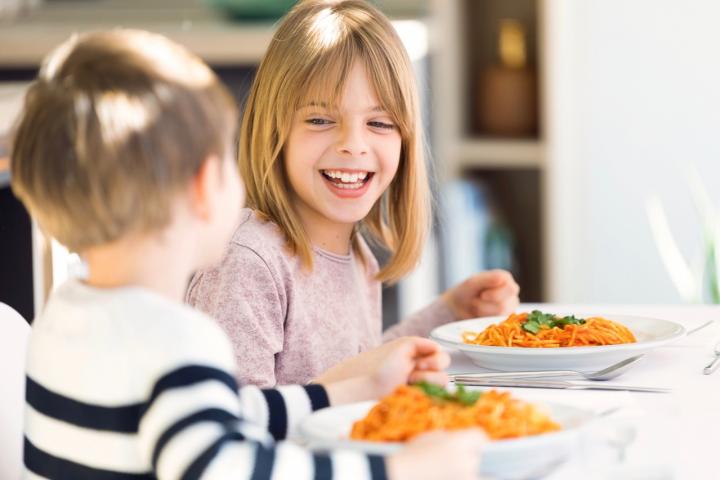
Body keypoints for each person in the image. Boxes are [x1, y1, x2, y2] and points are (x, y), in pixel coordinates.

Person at [11, 29, 486, 479]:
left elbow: (231, 412)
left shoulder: (67, 315)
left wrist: (356, 390)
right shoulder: (176, 342)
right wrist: (397, 472)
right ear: (204, 187)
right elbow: (232, 468)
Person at [187, 0, 520, 387]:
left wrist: (448, 313)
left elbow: (358, 365)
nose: (353, 144)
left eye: (379, 123)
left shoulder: (359, 259)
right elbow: (238, 417)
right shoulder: (249, 263)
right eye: (320, 120)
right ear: (275, 132)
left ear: (405, 143)